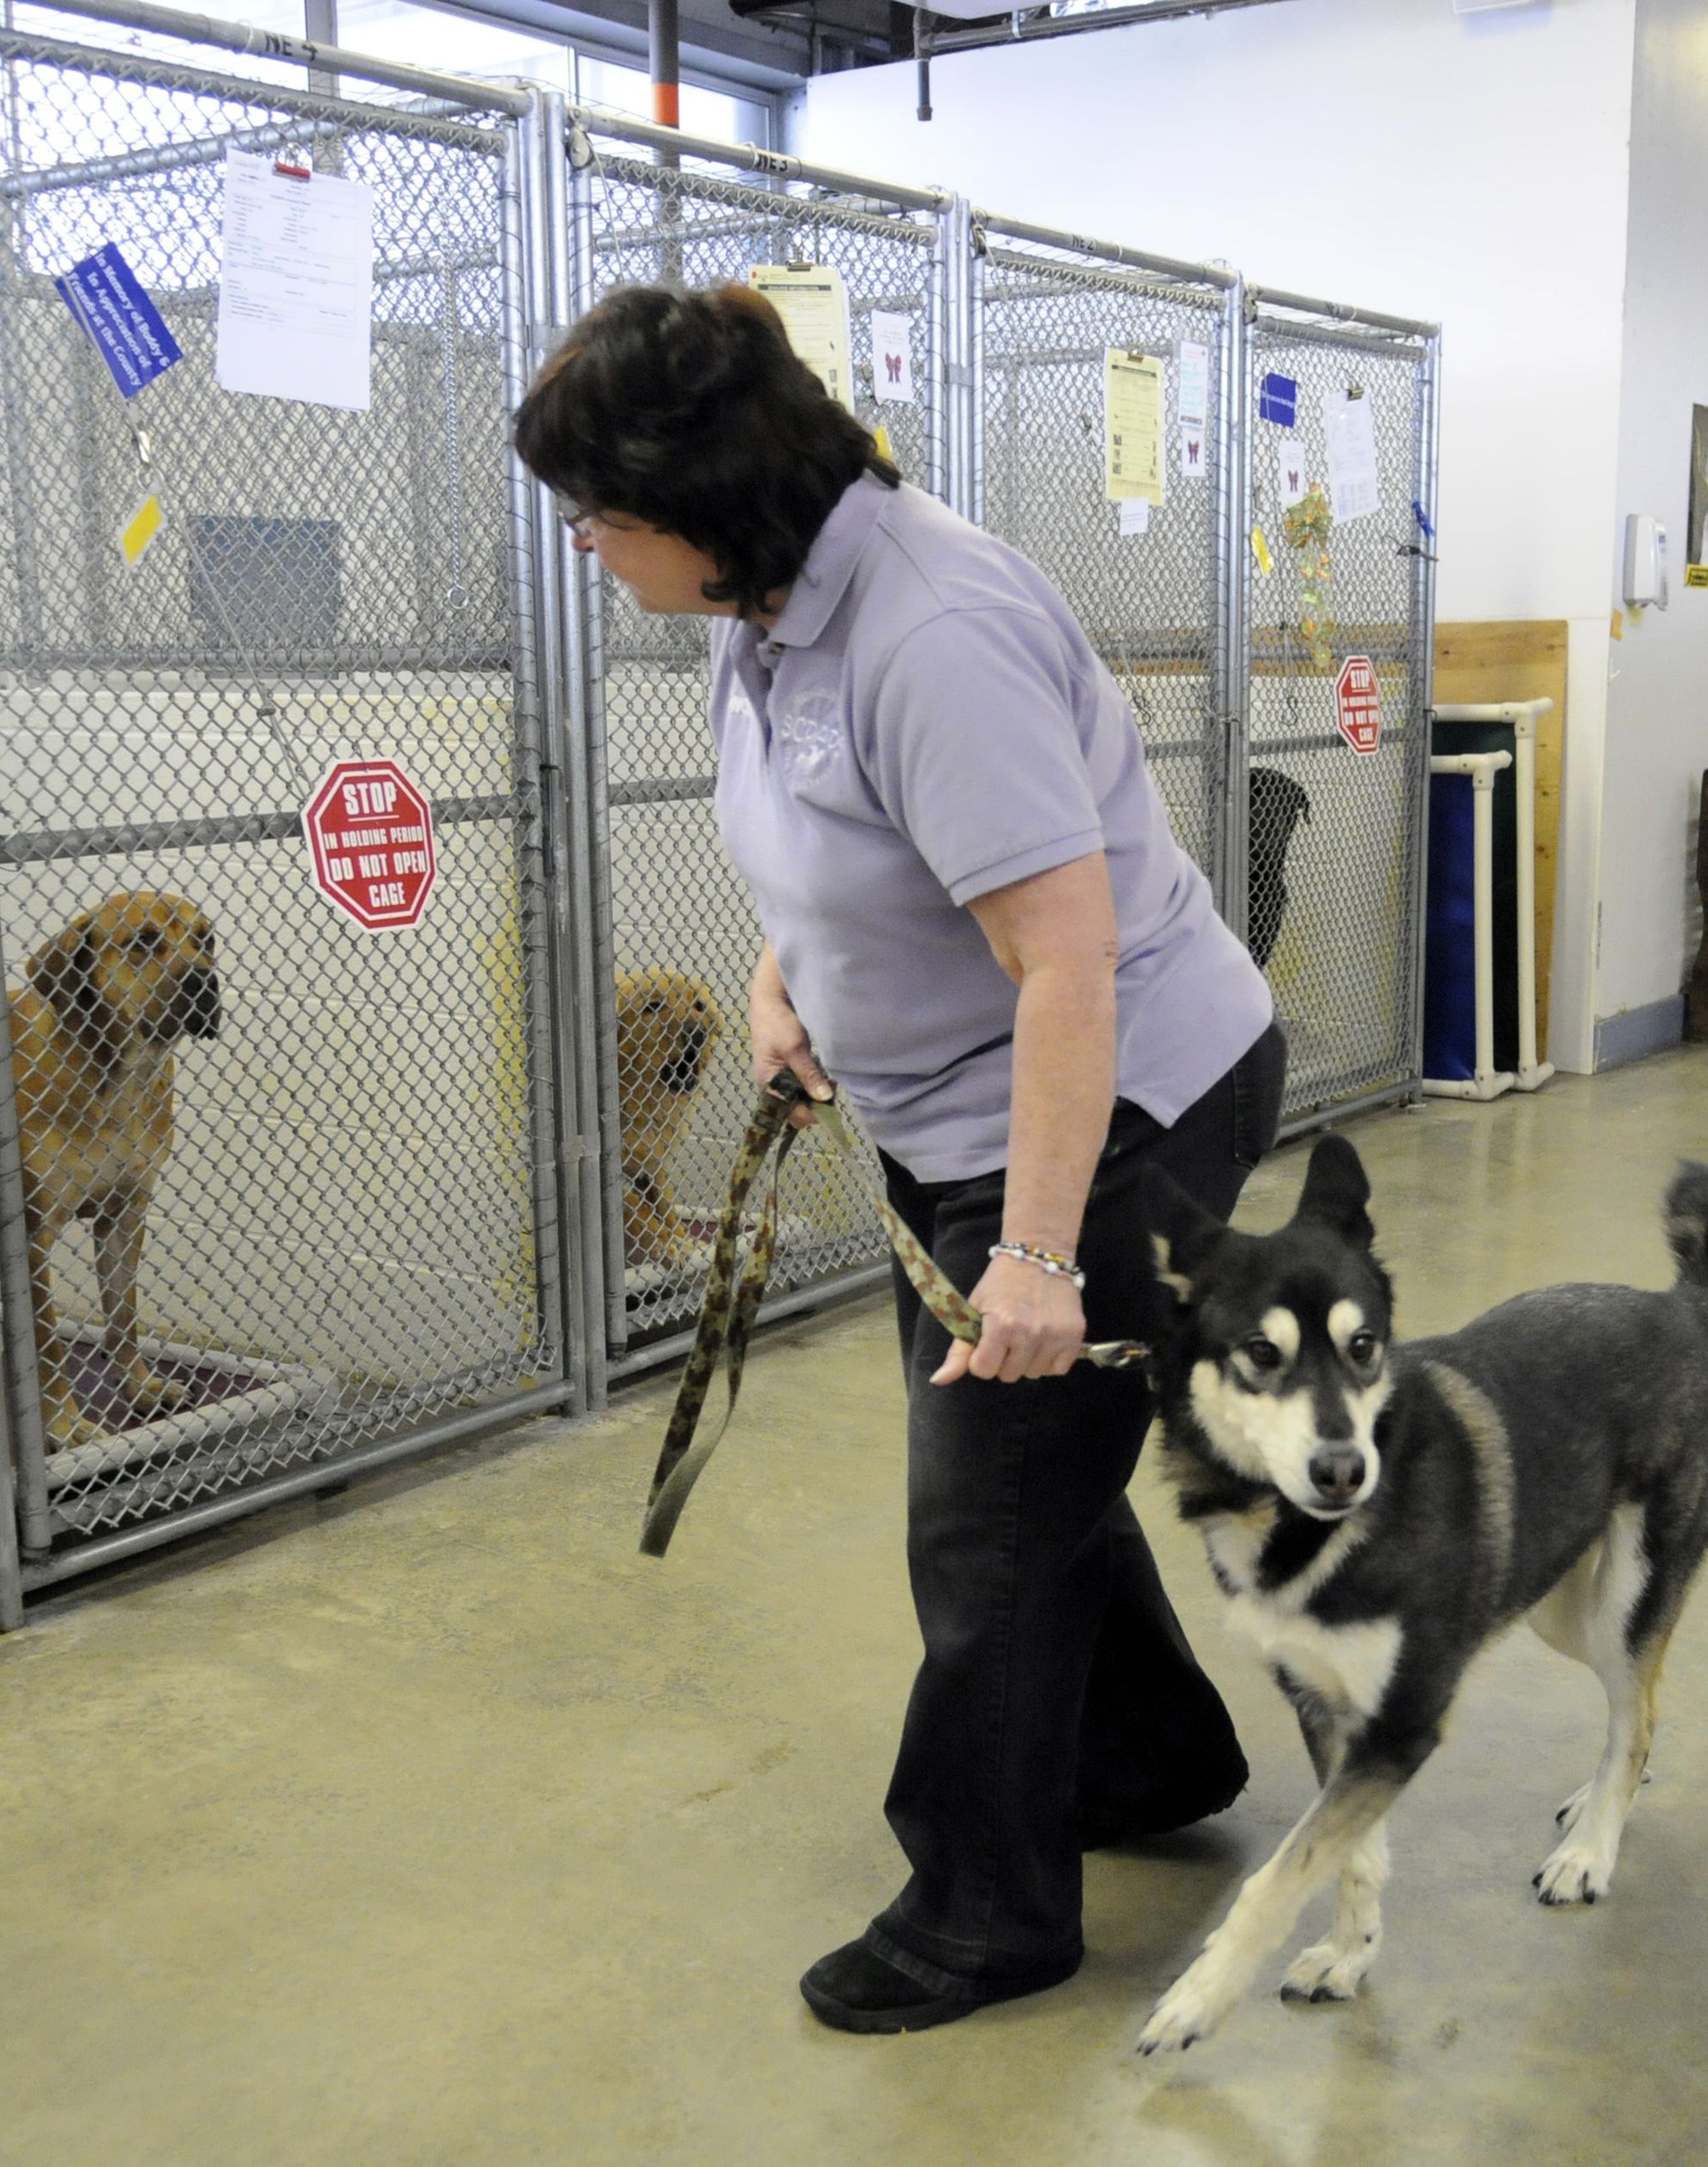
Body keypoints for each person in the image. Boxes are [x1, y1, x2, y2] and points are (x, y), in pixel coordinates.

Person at [514, 283, 1285, 2034]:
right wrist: (793, 977)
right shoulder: (768, 595)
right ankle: (1150, 1757)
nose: (584, 545)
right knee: (1027, 1479)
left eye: (597, 514)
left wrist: (1033, 1255)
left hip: (1114, 1097)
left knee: (984, 1527)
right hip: (950, 1101)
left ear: (697, 500)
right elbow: (827, 836)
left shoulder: (923, 630)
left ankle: (985, 1908)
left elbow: (1066, 959)